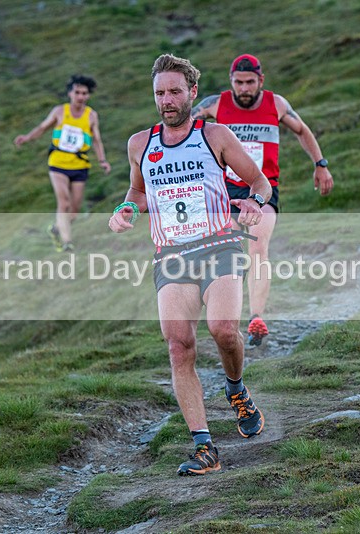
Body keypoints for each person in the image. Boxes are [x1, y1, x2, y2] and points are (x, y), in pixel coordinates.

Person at [109, 54, 272, 476]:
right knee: (179, 346)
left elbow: (260, 181)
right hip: (172, 254)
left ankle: (236, 388)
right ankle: (205, 448)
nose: (166, 100)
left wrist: (254, 202)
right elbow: (138, 192)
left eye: (174, 91)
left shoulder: (214, 134)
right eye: (160, 92)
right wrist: (126, 209)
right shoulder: (140, 144)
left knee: (222, 330)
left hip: (218, 246)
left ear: (192, 92)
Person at [192, 54, 334, 346]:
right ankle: (217, 315)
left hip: (263, 190)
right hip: (224, 190)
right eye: (238, 83)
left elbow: (303, 131)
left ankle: (256, 317)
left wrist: (320, 165)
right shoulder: (214, 104)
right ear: (231, 81)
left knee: (258, 246)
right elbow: (178, 129)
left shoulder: (276, 104)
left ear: (261, 81)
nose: (244, 89)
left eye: (250, 83)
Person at [14, 75, 112, 252]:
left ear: (88, 96)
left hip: (80, 165)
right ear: (70, 93)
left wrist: (102, 161)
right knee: (64, 203)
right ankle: (67, 242)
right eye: (77, 92)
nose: (80, 96)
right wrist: (27, 138)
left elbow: (97, 140)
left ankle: (56, 228)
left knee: (73, 211)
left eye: (84, 93)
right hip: (58, 163)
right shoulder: (60, 111)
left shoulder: (91, 116)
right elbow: (43, 128)